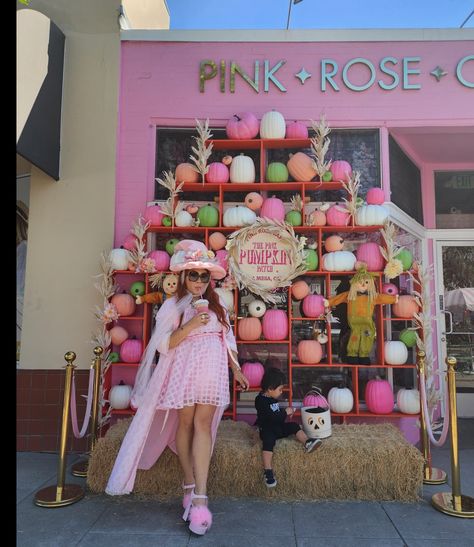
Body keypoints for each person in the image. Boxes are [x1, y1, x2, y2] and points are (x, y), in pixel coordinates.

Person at [106, 239, 250, 536]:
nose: (199, 280)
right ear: (183, 276)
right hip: (184, 369)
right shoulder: (172, 305)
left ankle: (201, 496)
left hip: (211, 370)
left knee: (203, 424)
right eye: (194, 274)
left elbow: (228, 338)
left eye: (204, 275)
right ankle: (188, 484)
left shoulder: (219, 303)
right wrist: (190, 325)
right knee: (184, 424)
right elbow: (163, 344)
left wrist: (235, 368)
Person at [255, 368, 322, 488]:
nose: (281, 392)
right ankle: (268, 471)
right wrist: (285, 412)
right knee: (268, 442)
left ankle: (307, 442)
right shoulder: (260, 400)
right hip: (267, 430)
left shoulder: (272, 398)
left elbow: (276, 414)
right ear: (270, 388)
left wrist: (284, 413)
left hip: (277, 427)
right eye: (280, 389)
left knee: (294, 426)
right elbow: (272, 416)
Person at [324, 263, 399, 365]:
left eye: (366, 282)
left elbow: (382, 297)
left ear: (371, 284)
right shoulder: (350, 296)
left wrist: (394, 299)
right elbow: (340, 297)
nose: (363, 285)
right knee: (354, 338)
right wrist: (329, 302)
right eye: (360, 282)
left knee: (367, 338)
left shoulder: (372, 296)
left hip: (366, 323)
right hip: (354, 323)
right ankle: (352, 355)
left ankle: (364, 355)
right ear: (355, 283)